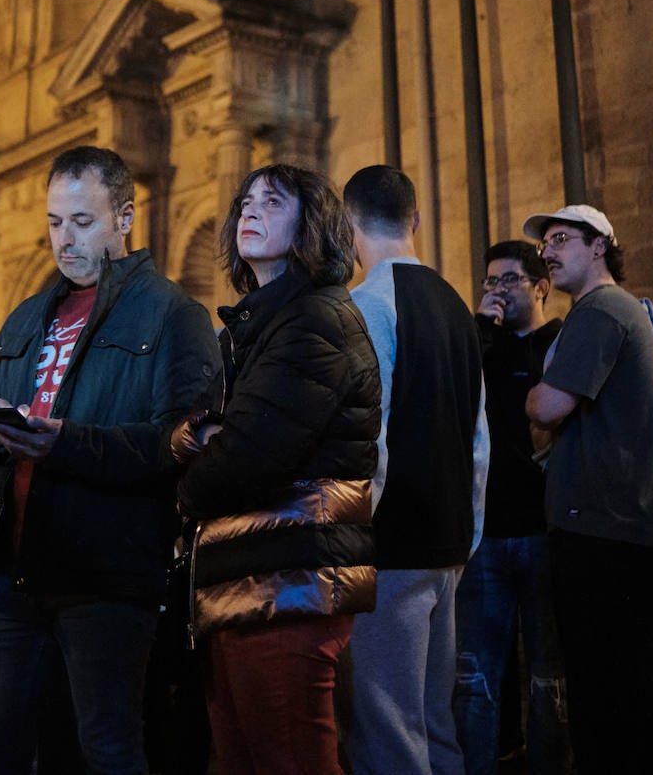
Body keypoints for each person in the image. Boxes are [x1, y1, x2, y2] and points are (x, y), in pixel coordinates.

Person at [0, 145, 221, 775]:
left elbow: (181, 445)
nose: (63, 239)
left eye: (82, 221)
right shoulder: (26, 317)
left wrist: (66, 443)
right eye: (54, 222)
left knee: (106, 748)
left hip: (103, 576)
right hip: (5, 574)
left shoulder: (173, 314)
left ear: (124, 217)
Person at [172, 163, 381, 775]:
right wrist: (197, 439)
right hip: (244, 582)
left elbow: (242, 461)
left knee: (291, 759)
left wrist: (186, 482)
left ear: (313, 222)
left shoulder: (316, 319)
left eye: (272, 200)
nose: (249, 211)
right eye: (245, 201)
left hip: (290, 585)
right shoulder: (255, 325)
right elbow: (190, 430)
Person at [342, 165, 489, 775]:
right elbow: (479, 439)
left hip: (391, 549)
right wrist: (469, 533)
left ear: (350, 225)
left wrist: (353, 532)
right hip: (448, 543)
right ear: (416, 221)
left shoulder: (367, 304)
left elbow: (367, 437)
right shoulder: (457, 304)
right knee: (435, 722)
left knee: (387, 729)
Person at [524, 203, 653, 774]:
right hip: (614, 528)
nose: (548, 251)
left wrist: (532, 398)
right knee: (628, 687)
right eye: (545, 244)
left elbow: (547, 404)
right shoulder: (611, 311)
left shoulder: (600, 311)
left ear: (599, 246)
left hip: (602, 530)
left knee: (609, 694)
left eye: (561, 238)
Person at [453, 240, 571, 775]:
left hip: (546, 531)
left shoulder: (561, 341)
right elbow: (452, 388)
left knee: (549, 673)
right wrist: (481, 325)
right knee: (477, 674)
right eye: (489, 281)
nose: (496, 290)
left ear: (541, 286)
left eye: (508, 281)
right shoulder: (486, 346)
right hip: (488, 533)